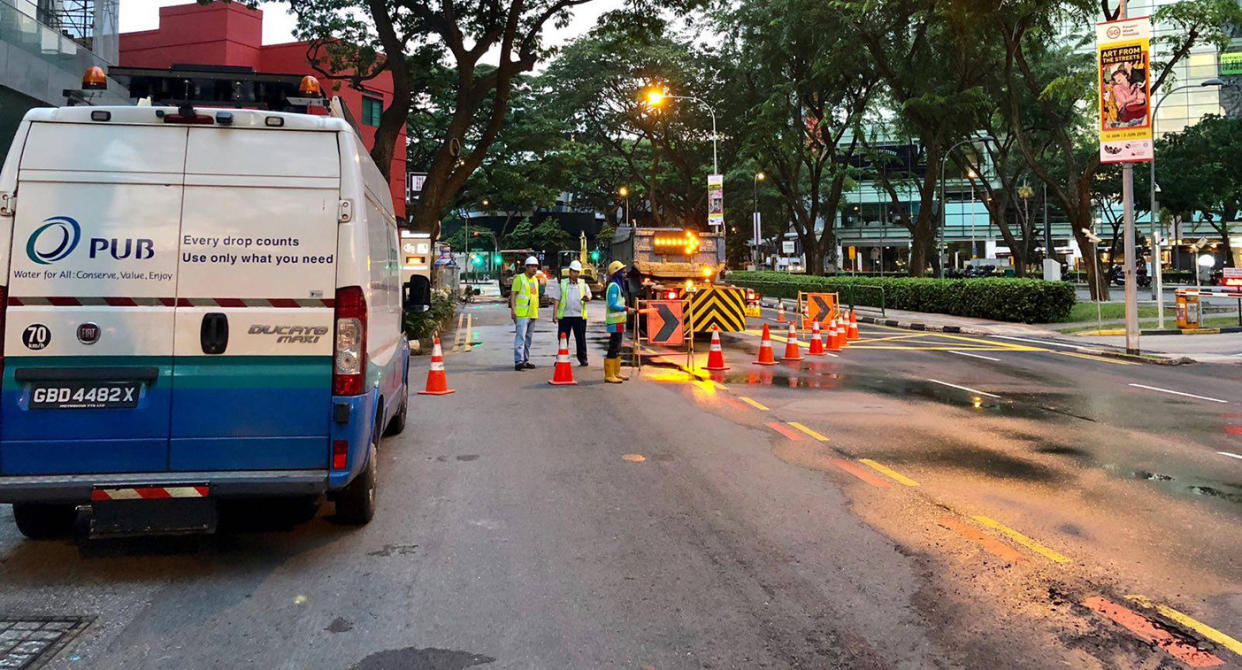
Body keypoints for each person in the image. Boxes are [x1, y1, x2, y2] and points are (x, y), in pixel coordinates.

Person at [553, 260, 592, 367]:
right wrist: (555, 314)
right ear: (569, 272)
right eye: (574, 271)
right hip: (565, 316)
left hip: (579, 316)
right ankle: (561, 358)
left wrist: (587, 298)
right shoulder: (562, 283)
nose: (576, 274)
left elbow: (589, 296)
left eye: (577, 272)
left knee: (581, 339)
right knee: (562, 339)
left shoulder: (583, 284)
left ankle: (583, 358)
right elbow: (557, 299)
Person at [603, 260, 635, 384]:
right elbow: (612, 305)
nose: (625, 273)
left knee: (617, 347)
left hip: (619, 321)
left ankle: (616, 372)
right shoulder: (614, 287)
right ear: (616, 273)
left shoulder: (619, 285)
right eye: (622, 271)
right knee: (613, 346)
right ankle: (609, 374)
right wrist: (626, 309)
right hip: (614, 321)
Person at [510, 256, 540, 371]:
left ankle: (525, 360)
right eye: (532, 266)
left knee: (528, 339)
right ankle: (519, 361)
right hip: (522, 314)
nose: (534, 269)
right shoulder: (520, 279)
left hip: (532, 313)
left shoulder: (534, 280)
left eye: (536, 266)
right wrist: (513, 309)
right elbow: (513, 295)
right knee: (521, 338)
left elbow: (534, 296)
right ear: (526, 267)